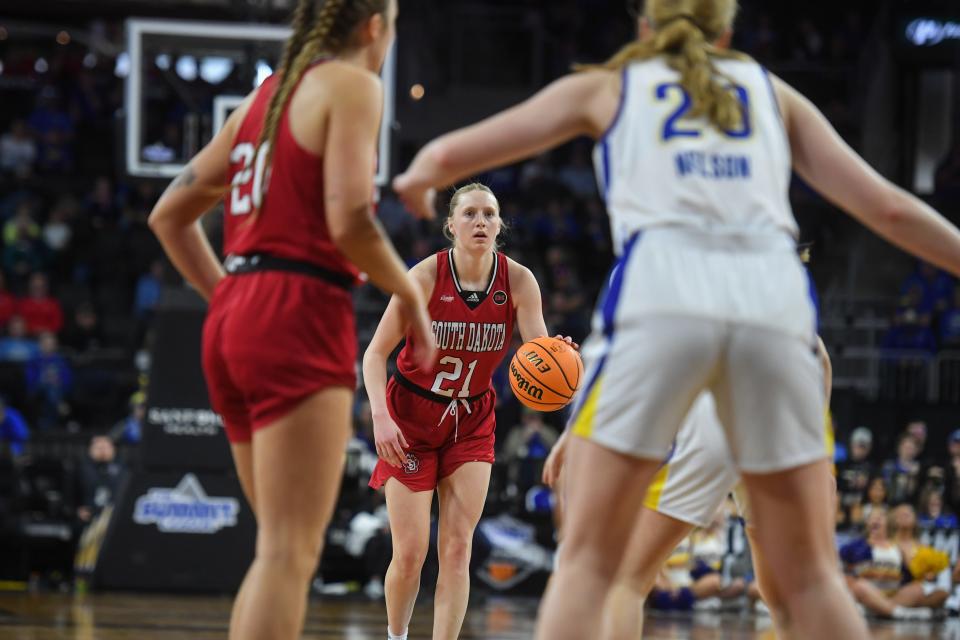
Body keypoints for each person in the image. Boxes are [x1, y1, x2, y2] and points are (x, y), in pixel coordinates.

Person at [392, 0, 960, 635]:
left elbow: (457, 152)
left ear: (643, 27)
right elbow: (888, 209)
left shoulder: (610, 86)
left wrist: (424, 172)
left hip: (663, 293)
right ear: (725, 30)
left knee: (590, 564)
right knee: (809, 580)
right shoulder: (770, 91)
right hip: (773, 303)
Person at [147, 2, 435, 638]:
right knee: (287, 554)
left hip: (235, 315)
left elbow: (168, 215)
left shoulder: (264, 99)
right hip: (297, 308)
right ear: (374, 26)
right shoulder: (355, 85)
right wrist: (413, 300)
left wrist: (226, 295)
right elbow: (350, 223)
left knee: (276, 550)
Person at [364, 182, 575, 640]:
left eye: (489, 214)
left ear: (500, 225)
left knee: (458, 549)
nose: (480, 222)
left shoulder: (518, 280)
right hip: (411, 419)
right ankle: (396, 636)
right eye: (470, 214)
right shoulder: (422, 278)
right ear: (451, 225)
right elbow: (374, 354)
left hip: (471, 420)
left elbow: (539, 351)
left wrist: (559, 357)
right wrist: (380, 417)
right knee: (411, 554)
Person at [542, 335, 833, 639]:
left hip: (716, 419)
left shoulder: (658, 289)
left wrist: (575, 428)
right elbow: (820, 357)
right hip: (781, 429)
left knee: (624, 580)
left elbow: (619, 355)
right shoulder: (778, 290)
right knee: (786, 597)